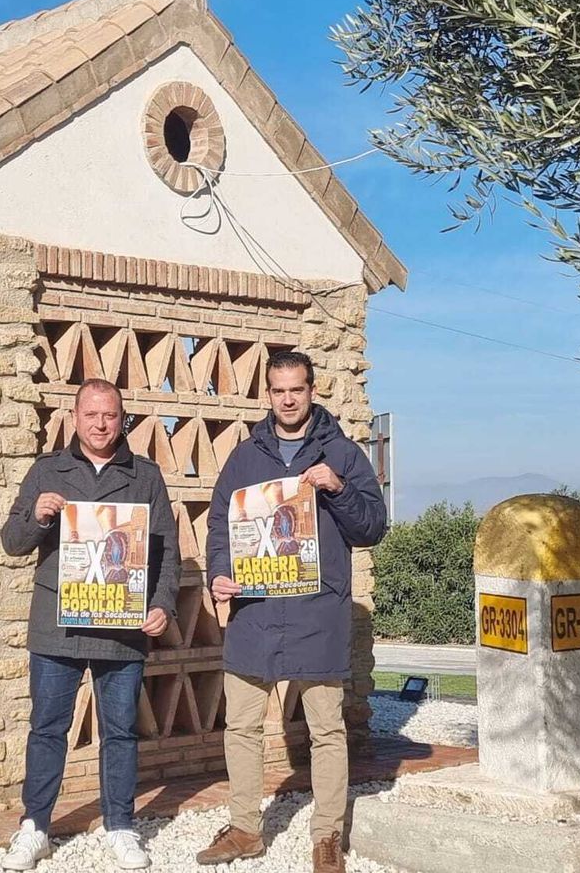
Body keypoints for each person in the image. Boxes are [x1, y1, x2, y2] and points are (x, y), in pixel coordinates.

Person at [195, 351, 387, 873]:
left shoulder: (344, 455)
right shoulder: (243, 458)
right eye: (278, 390)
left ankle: (326, 836)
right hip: (255, 611)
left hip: (317, 611)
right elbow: (219, 524)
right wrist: (219, 574)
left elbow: (372, 527)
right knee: (241, 727)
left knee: (327, 729)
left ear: (311, 390)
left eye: (296, 389)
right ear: (268, 394)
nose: (287, 399)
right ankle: (243, 829)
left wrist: (338, 489)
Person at [0, 377, 182, 871]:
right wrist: (36, 516)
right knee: (47, 728)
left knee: (120, 731)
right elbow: (12, 542)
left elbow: (166, 551)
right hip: (57, 625)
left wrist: (163, 604)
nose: (101, 424)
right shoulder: (47, 470)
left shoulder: (145, 475)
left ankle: (120, 826)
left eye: (110, 415)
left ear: (122, 419)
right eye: (91, 415)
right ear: (74, 418)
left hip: (123, 624)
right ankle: (34, 826)